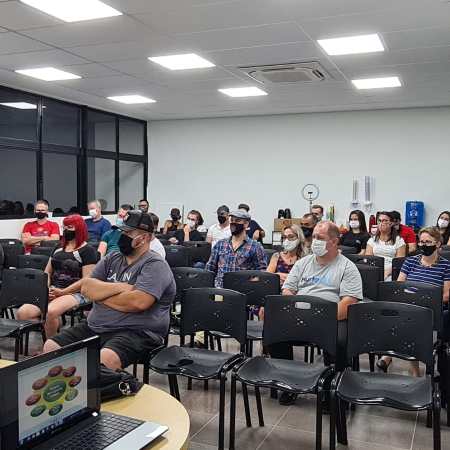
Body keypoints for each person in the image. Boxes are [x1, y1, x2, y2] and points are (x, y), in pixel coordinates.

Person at [43, 210, 176, 370]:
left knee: (104, 359)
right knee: (51, 347)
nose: (122, 236)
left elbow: (137, 303)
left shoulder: (155, 265)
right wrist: (120, 288)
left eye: (128, 233)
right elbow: (86, 286)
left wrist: (99, 294)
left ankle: (106, 384)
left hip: (137, 331)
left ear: (145, 237)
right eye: (122, 231)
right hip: (96, 326)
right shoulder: (112, 258)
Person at [270, 221, 363, 405]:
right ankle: (290, 383)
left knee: (340, 340)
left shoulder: (347, 267)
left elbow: (349, 302)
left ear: (334, 241)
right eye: (313, 237)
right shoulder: (303, 263)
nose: (314, 241)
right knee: (275, 333)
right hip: (300, 315)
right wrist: (295, 312)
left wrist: (322, 320)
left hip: (331, 319)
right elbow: (288, 290)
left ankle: (333, 390)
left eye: (320, 238)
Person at [377, 227, 450, 376]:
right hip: (408, 304)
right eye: (421, 242)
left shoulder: (446, 266)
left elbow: (446, 295)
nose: (423, 245)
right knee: (406, 318)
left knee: (411, 320)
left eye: (428, 242)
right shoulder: (410, 261)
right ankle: (414, 372)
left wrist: (426, 300)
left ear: (437, 244)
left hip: (431, 308)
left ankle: (389, 355)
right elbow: (399, 286)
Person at [17, 214, 98, 338]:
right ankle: (53, 328)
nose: (65, 230)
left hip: (76, 292)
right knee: (23, 313)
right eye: (64, 227)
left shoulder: (88, 251)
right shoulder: (59, 247)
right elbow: (47, 272)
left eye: (70, 227)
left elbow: (86, 280)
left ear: (79, 228)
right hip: (54, 289)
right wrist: (46, 289)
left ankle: (50, 343)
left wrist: (63, 292)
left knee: (51, 312)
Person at [206, 210, 267, 287]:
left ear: (246, 224)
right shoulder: (220, 244)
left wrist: (249, 283)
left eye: (237, 221)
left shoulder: (255, 247)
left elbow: (261, 273)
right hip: (220, 288)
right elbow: (210, 268)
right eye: (232, 220)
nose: (233, 223)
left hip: (242, 289)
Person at [366, 211, 406, 280]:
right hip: (375, 270)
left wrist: (386, 273)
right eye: (379, 221)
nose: (382, 223)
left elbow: (399, 262)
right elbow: (368, 259)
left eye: (385, 221)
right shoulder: (372, 240)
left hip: (392, 272)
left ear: (391, 223)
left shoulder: (399, 240)